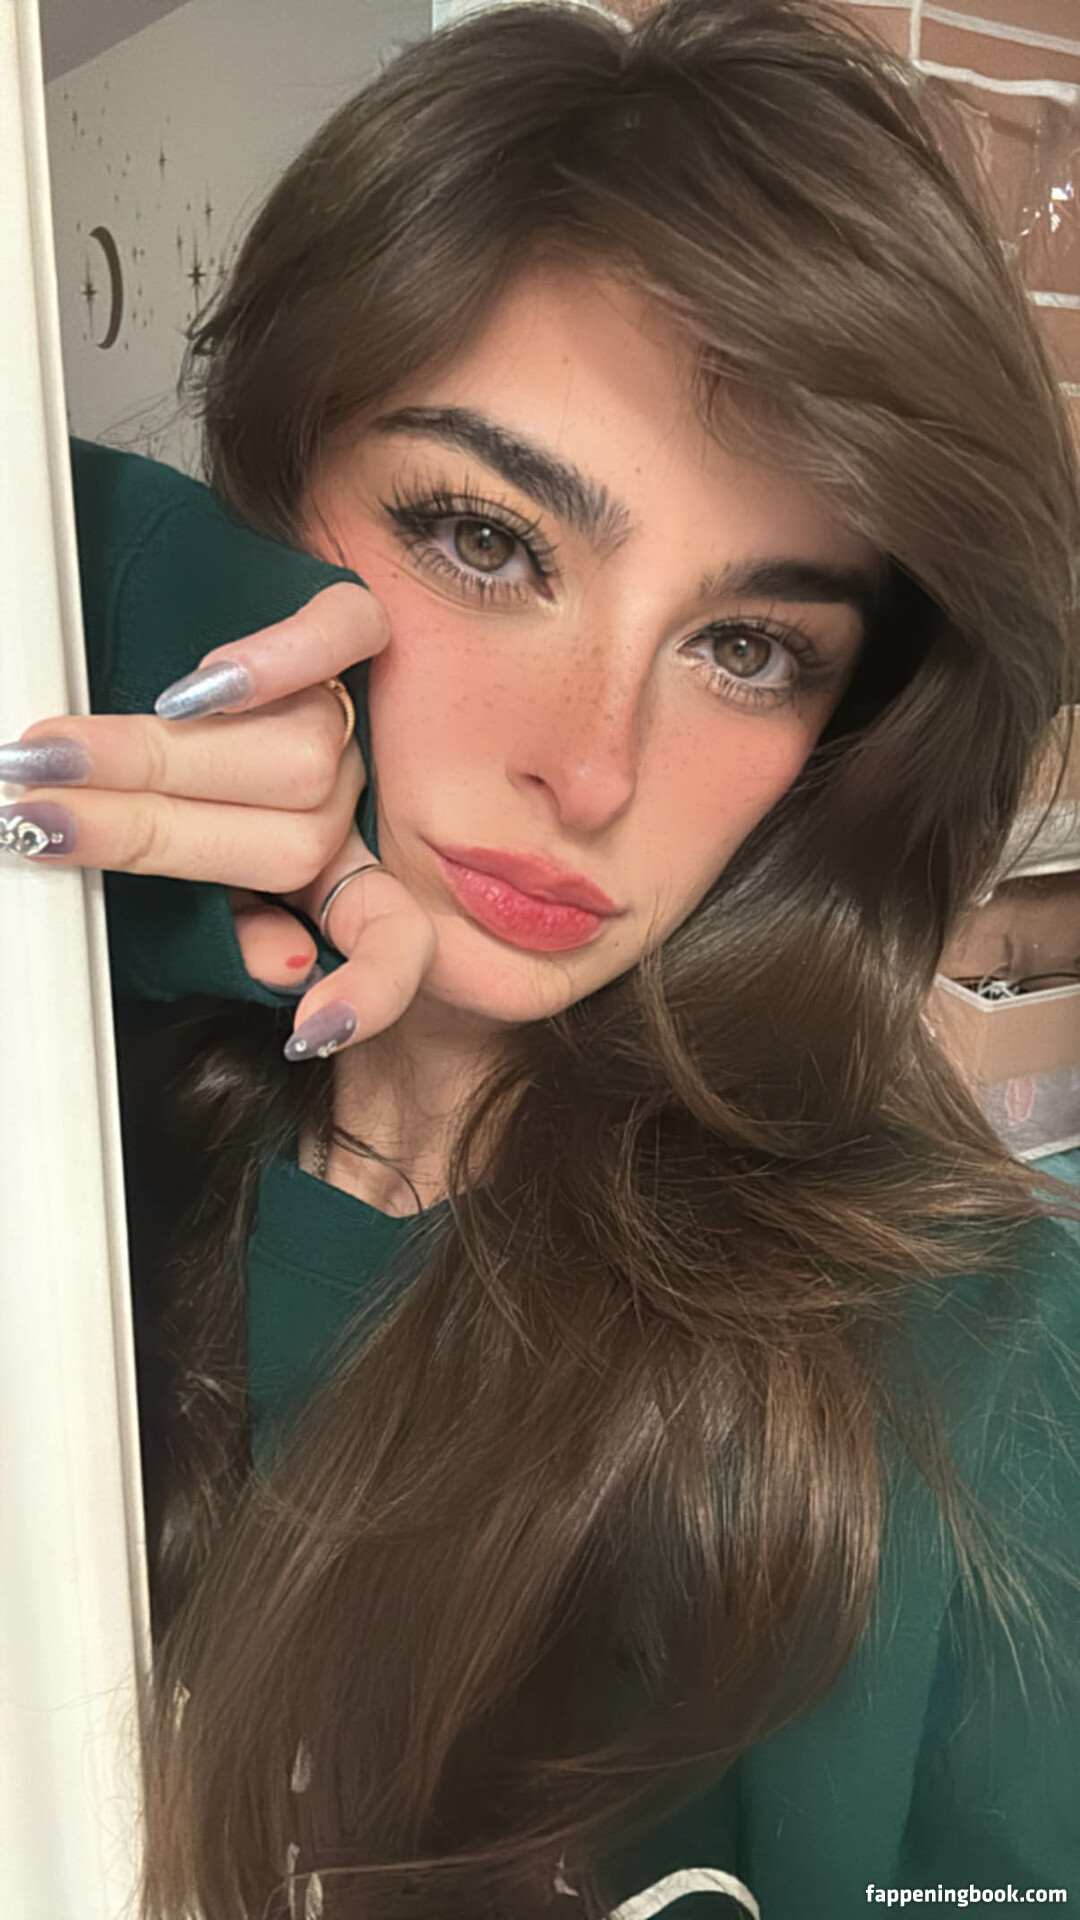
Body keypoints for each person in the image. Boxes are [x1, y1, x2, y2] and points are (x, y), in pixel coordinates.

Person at [3, 2, 1080, 1915]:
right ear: (270, 504)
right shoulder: (62, 1128)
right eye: (487, 541)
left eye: (749, 647)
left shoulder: (984, 1364)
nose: (595, 771)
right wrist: (56, 628)